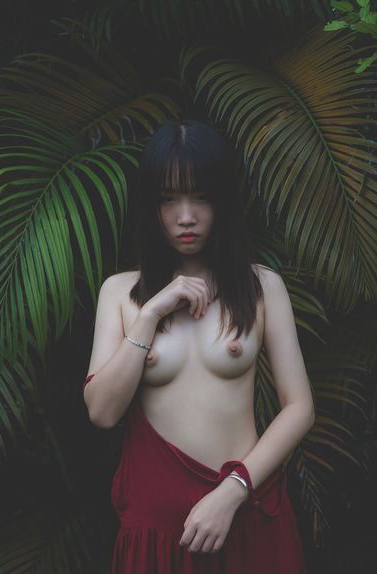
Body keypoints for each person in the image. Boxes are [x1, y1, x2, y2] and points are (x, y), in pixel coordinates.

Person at [82, 119, 314, 573]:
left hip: (246, 508)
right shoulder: (120, 293)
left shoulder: (262, 287)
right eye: (169, 199)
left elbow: (300, 407)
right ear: (151, 205)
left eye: (201, 197)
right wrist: (151, 313)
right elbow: (102, 412)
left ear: (222, 201)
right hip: (156, 528)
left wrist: (233, 490)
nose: (185, 216)